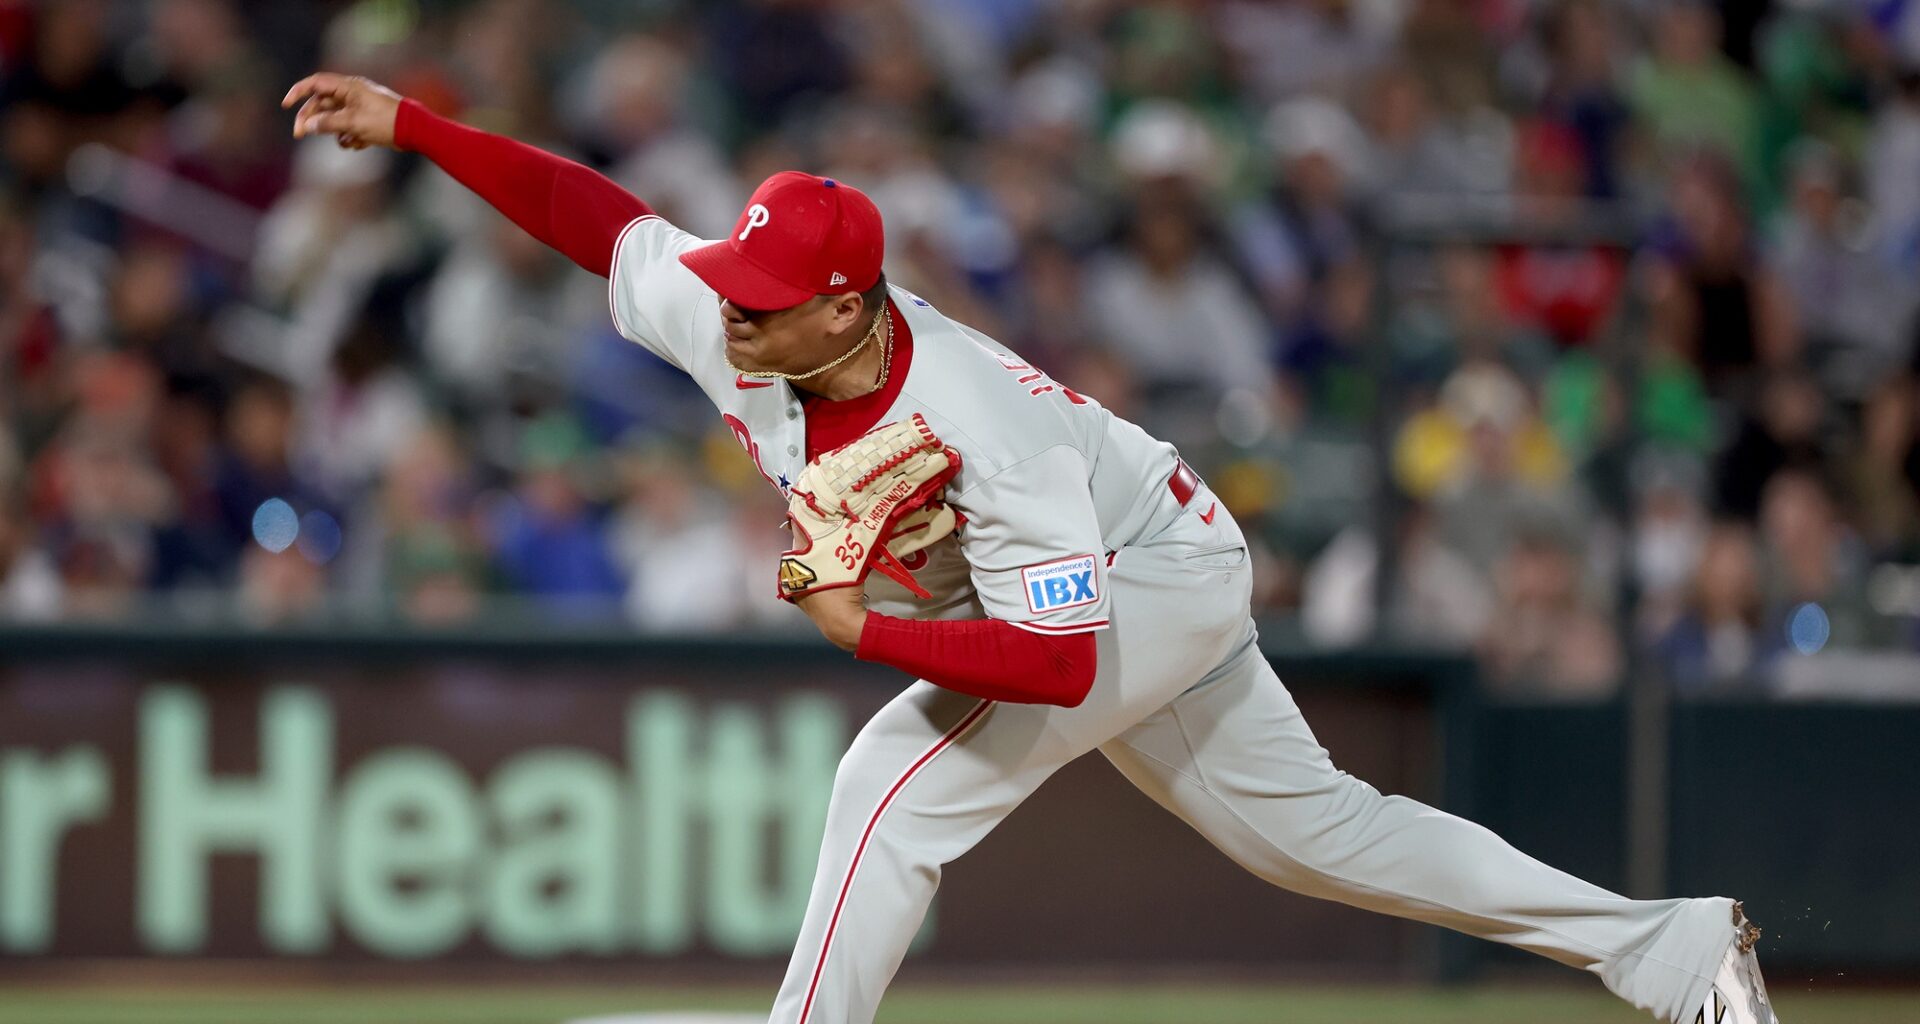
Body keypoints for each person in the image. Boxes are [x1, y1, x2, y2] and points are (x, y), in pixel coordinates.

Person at [282, 72, 1780, 1024]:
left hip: (1149, 577)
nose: (729, 305)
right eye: (730, 279)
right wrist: (415, 127)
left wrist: (868, 630)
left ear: (851, 300)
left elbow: (1058, 668)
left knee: (891, 775)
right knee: (1320, 838)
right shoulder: (743, 322)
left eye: (764, 292)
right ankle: (1674, 951)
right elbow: (596, 220)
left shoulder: (975, 417)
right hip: (1111, 579)